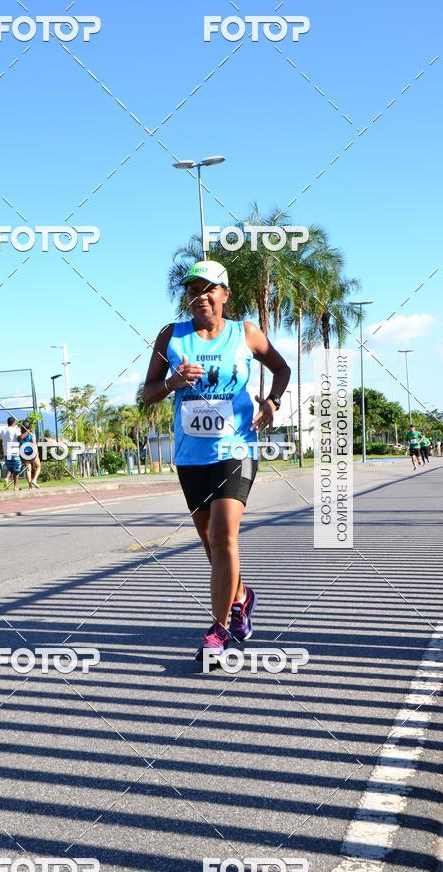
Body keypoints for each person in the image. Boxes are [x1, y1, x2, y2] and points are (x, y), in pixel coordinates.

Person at [142, 260, 291, 662]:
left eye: (210, 288)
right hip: (191, 456)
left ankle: (219, 630)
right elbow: (148, 392)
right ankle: (241, 597)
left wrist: (273, 401)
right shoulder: (171, 336)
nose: (201, 295)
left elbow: (281, 367)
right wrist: (172, 383)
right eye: (194, 288)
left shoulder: (245, 333)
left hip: (236, 449)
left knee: (225, 536)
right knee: (210, 542)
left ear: (225, 294)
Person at [0, 416, 22, 490]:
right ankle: (16, 486)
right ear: (14, 422)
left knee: (10, 468)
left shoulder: (3, 431)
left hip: (6, 451)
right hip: (14, 450)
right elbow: (19, 438)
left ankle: (7, 478)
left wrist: (1, 452)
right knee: (16, 469)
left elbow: (0, 442)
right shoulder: (15, 430)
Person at [19, 420, 40, 488]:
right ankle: (34, 480)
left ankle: (30, 486)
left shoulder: (20, 436)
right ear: (29, 426)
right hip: (32, 452)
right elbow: (34, 444)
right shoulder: (32, 434)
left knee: (28, 469)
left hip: (24, 453)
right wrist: (37, 453)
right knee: (38, 466)